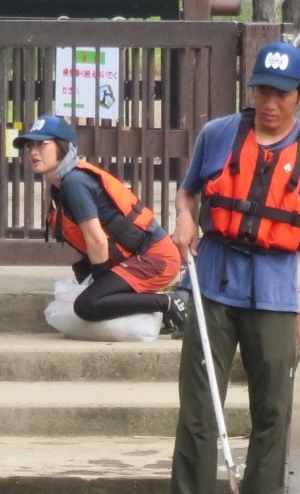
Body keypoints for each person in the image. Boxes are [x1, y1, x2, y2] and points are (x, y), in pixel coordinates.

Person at [167, 40, 300, 494]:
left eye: (282, 93)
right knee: (200, 405)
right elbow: (188, 191)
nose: (270, 102)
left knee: (272, 409)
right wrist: (184, 216)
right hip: (214, 284)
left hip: (276, 297)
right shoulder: (218, 135)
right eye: (263, 89)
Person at [12, 114, 188, 335]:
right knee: (91, 301)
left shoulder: (75, 183)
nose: (33, 151)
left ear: (63, 146)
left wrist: (101, 288)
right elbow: (77, 246)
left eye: (42, 144)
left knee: (87, 306)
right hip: (137, 260)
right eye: (30, 145)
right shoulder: (59, 188)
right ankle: (160, 311)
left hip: (155, 258)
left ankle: (168, 304)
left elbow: (97, 240)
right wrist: (90, 284)